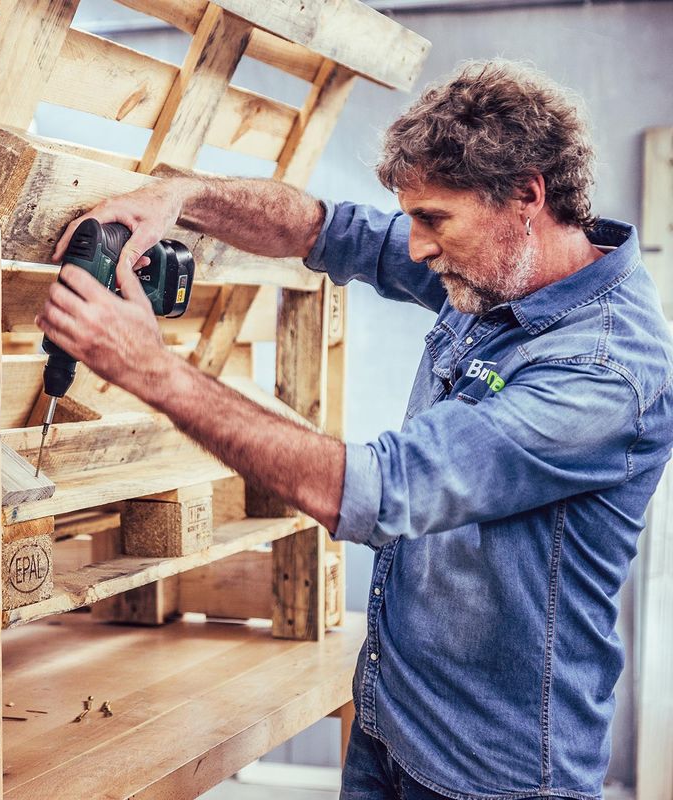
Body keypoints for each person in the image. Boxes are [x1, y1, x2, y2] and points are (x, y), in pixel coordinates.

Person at [37, 59, 673, 800]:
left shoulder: (602, 371)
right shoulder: (500, 269)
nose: (415, 248)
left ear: (527, 194)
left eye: (434, 219)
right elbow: (324, 230)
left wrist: (153, 370)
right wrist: (184, 197)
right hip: (388, 725)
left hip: (495, 776)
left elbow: (383, 489)